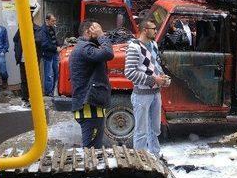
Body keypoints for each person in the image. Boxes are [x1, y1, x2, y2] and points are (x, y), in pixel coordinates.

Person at [124, 19, 171, 157]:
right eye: (153, 28)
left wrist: (163, 77)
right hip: (142, 94)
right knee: (141, 131)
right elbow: (129, 73)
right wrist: (153, 79)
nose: (156, 31)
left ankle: (155, 156)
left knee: (155, 129)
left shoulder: (153, 44)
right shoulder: (134, 47)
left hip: (155, 92)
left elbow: (156, 65)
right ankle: (140, 159)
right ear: (145, 30)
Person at [69, 20, 114, 148]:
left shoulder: (83, 48)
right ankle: (89, 168)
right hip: (89, 108)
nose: (101, 32)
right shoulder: (85, 48)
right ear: (89, 31)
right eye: (98, 30)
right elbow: (108, 53)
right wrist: (101, 36)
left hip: (90, 105)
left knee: (94, 148)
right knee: (92, 150)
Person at [13, 6, 42, 107]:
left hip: (33, 60)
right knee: (24, 80)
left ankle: (35, 100)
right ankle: (25, 99)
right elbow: (15, 39)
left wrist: (28, 34)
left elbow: (38, 41)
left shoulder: (37, 29)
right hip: (22, 59)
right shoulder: (21, 28)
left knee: (34, 80)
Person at [40, 13, 60, 96]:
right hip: (48, 55)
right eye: (52, 20)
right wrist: (55, 48)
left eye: (55, 20)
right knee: (49, 74)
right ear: (47, 20)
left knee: (56, 72)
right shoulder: (43, 30)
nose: (54, 22)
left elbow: (54, 39)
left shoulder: (52, 28)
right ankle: (48, 92)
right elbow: (44, 44)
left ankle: (54, 90)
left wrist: (58, 45)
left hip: (54, 53)